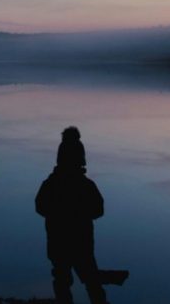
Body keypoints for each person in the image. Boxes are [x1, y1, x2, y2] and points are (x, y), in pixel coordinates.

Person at [35, 127, 127, 304]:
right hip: (81, 241)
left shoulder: (51, 184)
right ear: (81, 159)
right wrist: (80, 214)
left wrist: (57, 214)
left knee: (64, 280)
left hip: (57, 240)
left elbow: (40, 206)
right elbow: (98, 210)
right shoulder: (86, 186)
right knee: (90, 280)